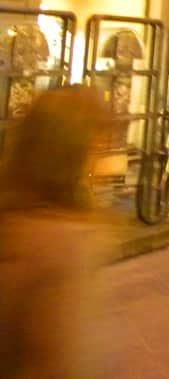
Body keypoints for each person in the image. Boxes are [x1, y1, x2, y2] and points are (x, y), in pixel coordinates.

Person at [0, 86, 113, 378]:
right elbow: (62, 361)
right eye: (98, 146)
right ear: (74, 152)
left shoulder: (13, 214)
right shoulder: (63, 241)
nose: (100, 157)